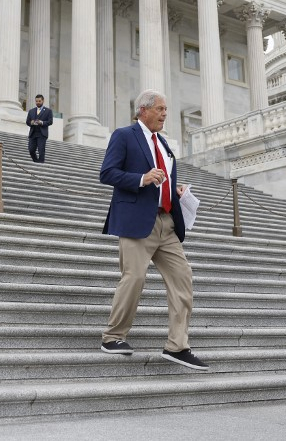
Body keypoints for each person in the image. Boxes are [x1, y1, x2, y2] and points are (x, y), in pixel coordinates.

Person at [98, 89, 208, 370]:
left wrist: (176, 190)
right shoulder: (124, 136)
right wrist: (142, 178)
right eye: (160, 109)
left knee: (183, 277)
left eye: (165, 109)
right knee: (133, 278)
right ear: (143, 111)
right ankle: (113, 336)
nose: (164, 114)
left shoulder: (164, 144)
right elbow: (107, 173)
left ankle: (177, 345)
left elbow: (164, 178)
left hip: (166, 223)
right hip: (137, 221)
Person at [26, 93, 53, 163]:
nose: (38, 102)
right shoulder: (31, 111)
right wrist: (31, 123)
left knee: (41, 150)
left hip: (42, 133)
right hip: (33, 133)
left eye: (39, 101)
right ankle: (36, 161)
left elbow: (50, 122)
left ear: (43, 101)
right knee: (31, 150)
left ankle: (40, 163)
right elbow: (27, 121)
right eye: (36, 101)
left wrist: (42, 122)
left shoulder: (48, 111)